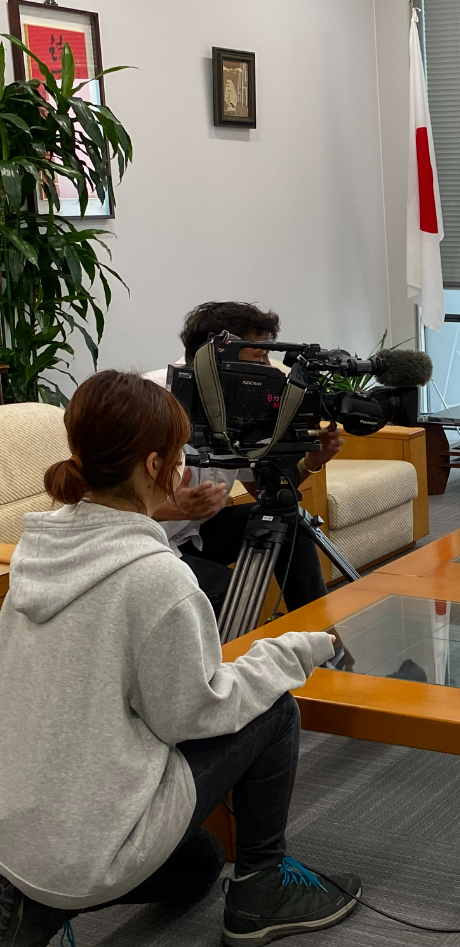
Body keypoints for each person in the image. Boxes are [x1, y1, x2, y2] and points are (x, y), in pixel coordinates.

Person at [0, 371, 359, 947]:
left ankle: (34, 904)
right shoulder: (156, 578)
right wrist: (292, 650)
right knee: (272, 709)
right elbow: (194, 716)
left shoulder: (36, 552)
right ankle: (261, 892)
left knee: (201, 864)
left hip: (15, 832)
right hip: (87, 845)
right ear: (153, 465)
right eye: (178, 455)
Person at [154, 302, 343, 615]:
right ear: (218, 354)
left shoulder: (242, 402)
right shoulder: (149, 400)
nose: (269, 369)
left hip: (193, 535)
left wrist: (311, 461)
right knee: (231, 592)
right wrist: (171, 509)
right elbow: (97, 503)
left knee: (288, 519)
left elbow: (265, 491)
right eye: (259, 358)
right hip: (146, 543)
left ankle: (319, 631)